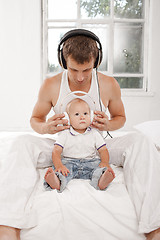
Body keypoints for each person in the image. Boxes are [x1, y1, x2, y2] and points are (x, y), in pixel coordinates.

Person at [0, 29, 160, 240]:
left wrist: (108, 125)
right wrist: (46, 128)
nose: (80, 77)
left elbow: (120, 117)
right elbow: (35, 120)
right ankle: (8, 228)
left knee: (141, 141)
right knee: (21, 143)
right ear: (63, 61)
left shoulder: (109, 84)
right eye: (74, 69)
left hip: (97, 147)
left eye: (87, 69)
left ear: (96, 61)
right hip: (63, 147)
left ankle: (154, 228)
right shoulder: (51, 85)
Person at [44, 98, 115, 192]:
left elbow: (103, 150)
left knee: (99, 169)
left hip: (90, 162)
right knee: (61, 172)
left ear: (91, 116)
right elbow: (56, 150)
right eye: (77, 114)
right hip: (69, 162)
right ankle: (56, 182)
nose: (82, 117)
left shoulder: (94, 133)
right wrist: (59, 165)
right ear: (68, 119)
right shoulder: (65, 134)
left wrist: (105, 162)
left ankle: (101, 181)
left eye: (85, 113)